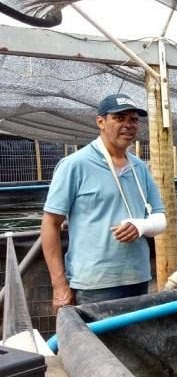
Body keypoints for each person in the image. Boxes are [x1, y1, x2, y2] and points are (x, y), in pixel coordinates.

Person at [41, 93, 166, 310]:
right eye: (120, 118)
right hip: (95, 285)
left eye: (134, 119)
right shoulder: (75, 165)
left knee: (137, 341)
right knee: (97, 343)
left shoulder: (139, 168)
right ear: (101, 122)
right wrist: (59, 285)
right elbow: (50, 224)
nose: (128, 125)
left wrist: (141, 225)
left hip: (138, 277)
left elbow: (160, 218)